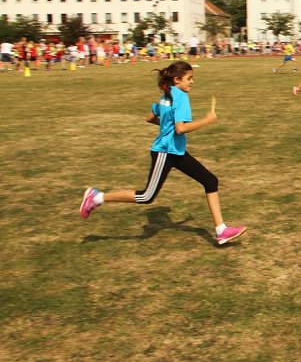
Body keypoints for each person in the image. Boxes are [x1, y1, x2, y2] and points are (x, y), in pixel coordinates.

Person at [79, 60, 247, 246]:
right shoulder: (181, 97)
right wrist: (207, 121)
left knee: (210, 181)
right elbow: (180, 129)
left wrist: (166, 126)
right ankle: (96, 197)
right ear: (177, 79)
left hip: (176, 151)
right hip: (165, 152)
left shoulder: (168, 94)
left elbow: (150, 117)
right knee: (147, 196)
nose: (192, 82)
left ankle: (221, 230)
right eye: (189, 78)